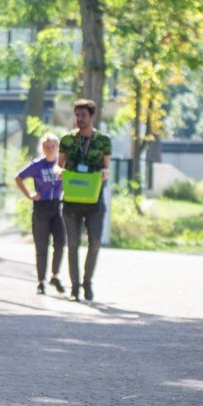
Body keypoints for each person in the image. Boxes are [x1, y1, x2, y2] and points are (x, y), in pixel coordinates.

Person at [58, 99, 111, 302]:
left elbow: (106, 167)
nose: (79, 119)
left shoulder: (103, 140)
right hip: (71, 200)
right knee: (72, 244)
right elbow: (58, 165)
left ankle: (87, 282)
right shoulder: (67, 140)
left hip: (94, 200)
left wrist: (105, 173)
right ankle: (74, 287)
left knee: (95, 241)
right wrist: (59, 172)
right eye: (77, 115)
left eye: (83, 115)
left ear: (92, 116)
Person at [14, 133, 67, 295]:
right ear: (42, 148)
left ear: (58, 148)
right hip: (41, 206)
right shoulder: (37, 165)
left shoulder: (62, 164)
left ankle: (54, 275)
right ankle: (41, 281)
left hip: (57, 206)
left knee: (59, 242)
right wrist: (29, 194)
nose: (50, 149)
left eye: (53, 146)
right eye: (47, 146)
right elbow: (18, 177)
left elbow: (71, 179)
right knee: (41, 246)